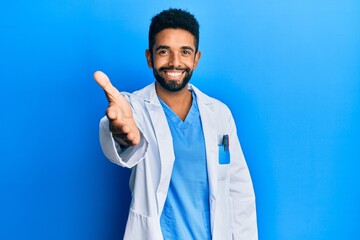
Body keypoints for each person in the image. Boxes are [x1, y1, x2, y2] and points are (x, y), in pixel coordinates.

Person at [94, 8, 258, 240]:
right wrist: (119, 132)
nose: (174, 62)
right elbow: (121, 138)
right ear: (149, 57)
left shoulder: (220, 115)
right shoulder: (134, 108)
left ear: (196, 59)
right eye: (164, 51)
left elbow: (237, 188)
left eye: (184, 52)